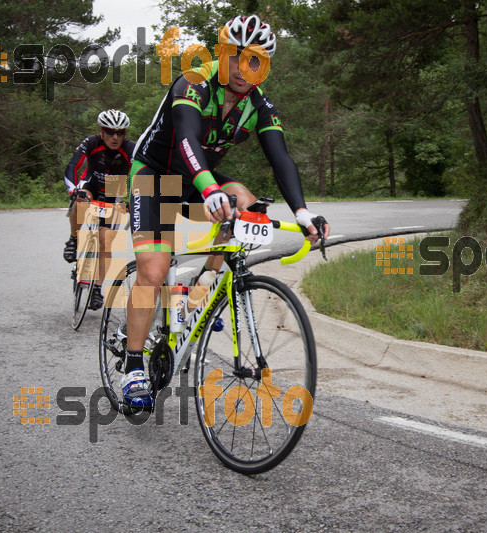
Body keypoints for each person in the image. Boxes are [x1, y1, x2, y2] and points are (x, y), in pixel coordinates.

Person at [121, 15, 330, 409]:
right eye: (235, 58)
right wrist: (209, 188)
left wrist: (303, 214)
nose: (242, 69)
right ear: (222, 54)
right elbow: (185, 137)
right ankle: (133, 366)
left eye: (255, 61)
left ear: (264, 66)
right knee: (153, 267)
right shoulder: (194, 81)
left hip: (199, 178)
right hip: (154, 174)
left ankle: (204, 289)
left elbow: (280, 157)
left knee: (248, 204)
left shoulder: (257, 103)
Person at [62, 109, 136, 311]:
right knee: (81, 199)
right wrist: (73, 190)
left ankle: (96, 288)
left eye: (120, 133)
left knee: (106, 242)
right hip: (92, 183)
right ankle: (74, 239)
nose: (115, 137)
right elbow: (72, 166)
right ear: (101, 131)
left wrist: (134, 201)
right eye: (110, 132)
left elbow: (141, 174)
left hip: (115, 190)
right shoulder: (92, 143)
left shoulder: (130, 148)